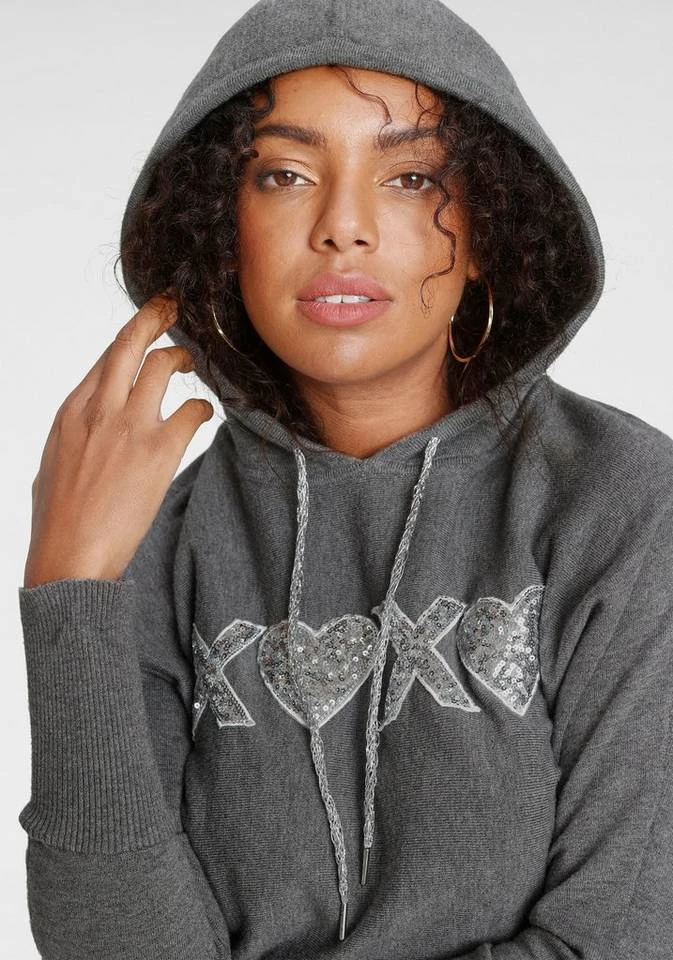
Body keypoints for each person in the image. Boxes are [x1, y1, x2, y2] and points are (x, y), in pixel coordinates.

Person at [17, 0, 673, 957]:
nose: (343, 229)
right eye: (284, 175)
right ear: (223, 225)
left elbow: (618, 939)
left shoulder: (624, 503)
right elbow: (108, 943)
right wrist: (67, 588)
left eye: (410, 178)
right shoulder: (155, 537)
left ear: (486, 228)